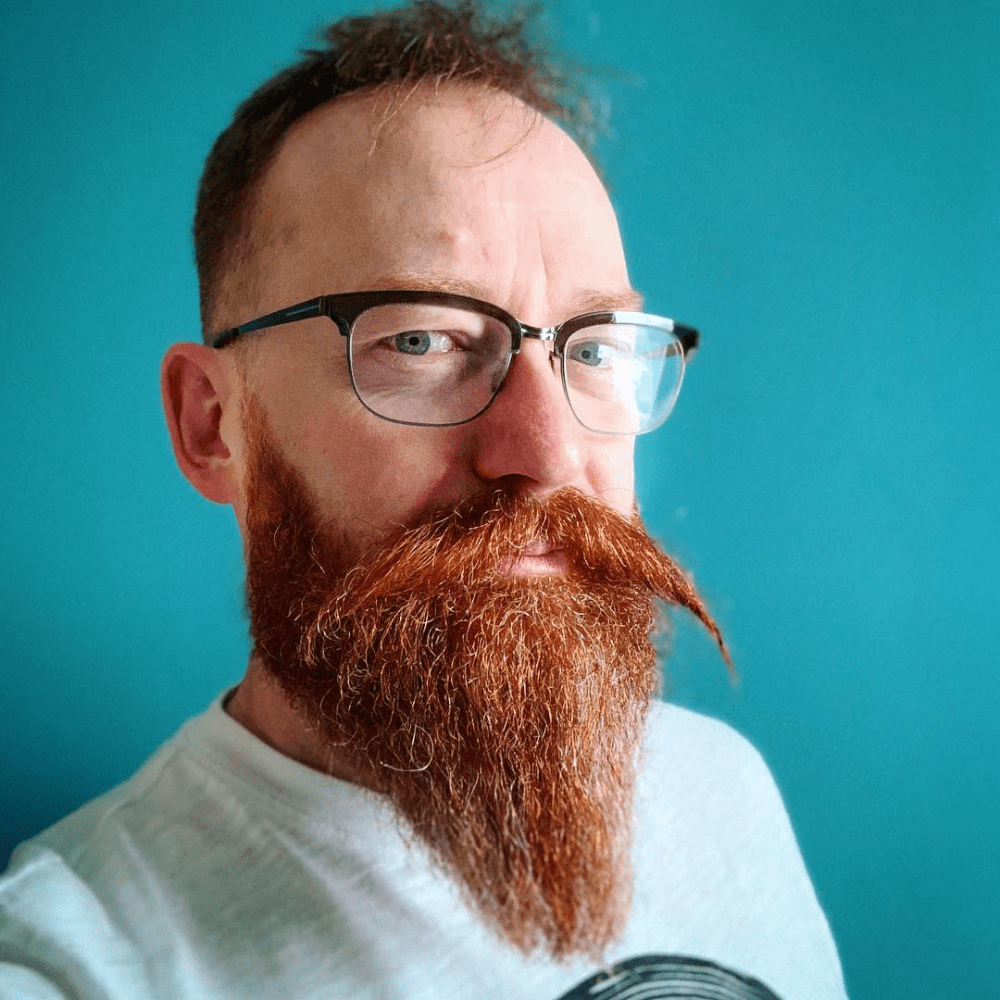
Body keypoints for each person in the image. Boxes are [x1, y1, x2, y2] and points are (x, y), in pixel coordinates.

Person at [0, 3, 847, 997]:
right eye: (420, 340)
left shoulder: (721, 789)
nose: (546, 453)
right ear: (210, 423)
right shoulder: (75, 959)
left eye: (596, 347)